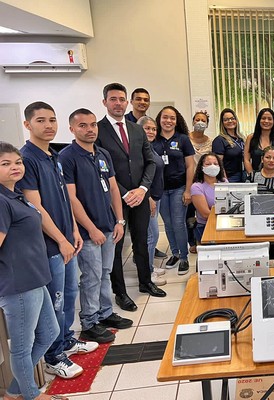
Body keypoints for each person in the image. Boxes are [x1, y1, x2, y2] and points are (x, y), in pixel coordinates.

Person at [18, 102, 90, 380]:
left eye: (52, 120)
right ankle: (53, 356)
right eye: (40, 120)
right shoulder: (27, 159)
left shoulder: (53, 156)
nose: (48, 125)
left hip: (66, 240)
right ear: (28, 125)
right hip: (49, 246)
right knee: (56, 301)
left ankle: (67, 341)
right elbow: (36, 207)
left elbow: (64, 200)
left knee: (70, 294)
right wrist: (60, 240)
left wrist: (73, 231)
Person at [60, 108, 133, 344]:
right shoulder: (67, 157)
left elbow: (113, 188)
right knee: (91, 276)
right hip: (88, 231)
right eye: (83, 125)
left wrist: (119, 221)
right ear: (72, 128)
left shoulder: (102, 154)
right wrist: (91, 228)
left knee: (105, 272)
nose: (89, 129)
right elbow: (71, 198)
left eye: (93, 125)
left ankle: (105, 312)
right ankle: (90, 322)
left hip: (109, 225)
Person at [96, 82, 165, 313]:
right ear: (105, 102)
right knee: (116, 246)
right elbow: (100, 168)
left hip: (140, 196)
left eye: (121, 99)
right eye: (113, 99)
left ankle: (146, 282)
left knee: (142, 241)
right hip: (116, 198)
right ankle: (121, 292)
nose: (118, 103)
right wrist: (125, 192)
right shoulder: (98, 130)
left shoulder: (137, 129)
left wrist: (143, 189)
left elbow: (151, 161)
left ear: (127, 103)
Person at [0, 141, 61, 400]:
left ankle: (15, 390)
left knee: (50, 333)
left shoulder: (16, 195)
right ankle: (31, 395)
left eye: (18, 162)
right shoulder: (1, 201)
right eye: (5, 164)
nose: (15, 167)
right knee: (22, 348)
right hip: (19, 283)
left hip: (35, 277)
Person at [153, 106, 195, 276]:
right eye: (165, 117)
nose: (168, 121)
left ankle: (184, 257)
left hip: (179, 188)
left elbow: (191, 165)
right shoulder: (153, 139)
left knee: (178, 223)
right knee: (168, 224)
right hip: (160, 190)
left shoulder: (183, 139)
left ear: (177, 121)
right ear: (159, 119)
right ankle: (175, 253)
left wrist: (188, 190)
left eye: (172, 118)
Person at [138, 116, 167, 285]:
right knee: (152, 235)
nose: (151, 131)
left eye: (153, 129)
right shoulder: (139, 150)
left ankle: (149, 266)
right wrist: (148, 198)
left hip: (156, 197)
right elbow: (140, 177)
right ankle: (147, 273)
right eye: (147, 128)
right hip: (147, 199)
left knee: (151, 235)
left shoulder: (150, 148)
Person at [248, 146, 274, 259]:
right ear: (262, 159)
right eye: (268, 157)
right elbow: (246, 199)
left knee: (272, 251)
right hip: (256, 218)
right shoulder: (252, 176)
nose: (271, 160)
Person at [187, 110, 213, 254]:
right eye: (197, 119)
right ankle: (192, 242)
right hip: (189, 180)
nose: (200, 122)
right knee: (190, 214)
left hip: (205, 180)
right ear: (193, 122)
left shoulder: (210, 141)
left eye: (203, 120)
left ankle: (204, 239)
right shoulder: (186, 139)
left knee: (204, 212)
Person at [191, 153, 228, 245]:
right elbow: (205, 214)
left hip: (225, 224)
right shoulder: (197, 187)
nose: (212, 166)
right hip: (205, 226)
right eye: (208, 164)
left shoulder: (224, 182)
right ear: (202, 167)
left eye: (215, 164)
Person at [244, 108, 274, 174]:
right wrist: (252, 176)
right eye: (263, 118)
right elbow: (246, 160)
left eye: (269, 119)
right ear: (259, 120)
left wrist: (273, 177)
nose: (266, 121)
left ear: (273, 121)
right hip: (254, 177)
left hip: (273, 178)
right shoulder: (251, 138)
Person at [212, 108, 245, 182]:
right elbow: (218, 163)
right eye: (226, 120)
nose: (230, 121)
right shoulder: (219, 140)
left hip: (243, 175)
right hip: (230, 177)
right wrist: (224, 179)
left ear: (236, 120)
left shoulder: (241, 138)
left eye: (232, 118)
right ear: (222, 123)